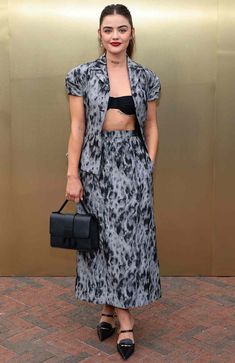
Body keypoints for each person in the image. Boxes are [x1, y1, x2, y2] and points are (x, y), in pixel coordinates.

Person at [64, 4, 162, 360]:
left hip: (132, 167)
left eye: (122, 29)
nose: (115, 36)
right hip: (95, 166)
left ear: (131, 33)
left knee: (127, 243)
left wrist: (147, 164)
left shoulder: (147, 77)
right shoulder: (81, 75)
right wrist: (72, 174)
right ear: (100, 35)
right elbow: (77, 128)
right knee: (101, 241)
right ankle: (123, 319)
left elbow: (150, 126)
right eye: (109, 30)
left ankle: (112, 311)